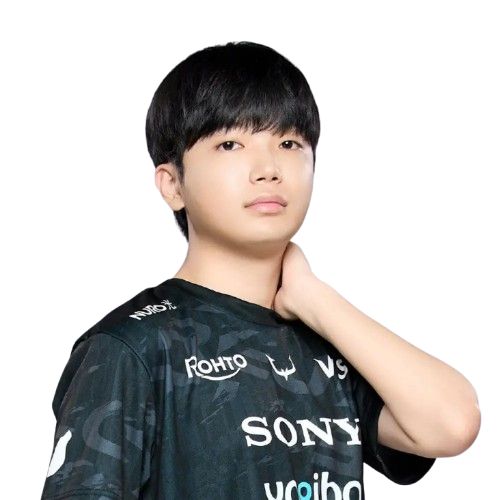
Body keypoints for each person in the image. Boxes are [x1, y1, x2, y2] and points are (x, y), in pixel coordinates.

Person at [41, 40, 481, 499]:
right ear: (172, 185)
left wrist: (316, 298)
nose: (268, 169)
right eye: (230, 144)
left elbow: (452, 425)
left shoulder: (329, 339)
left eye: (289, 143)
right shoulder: (132, 346)